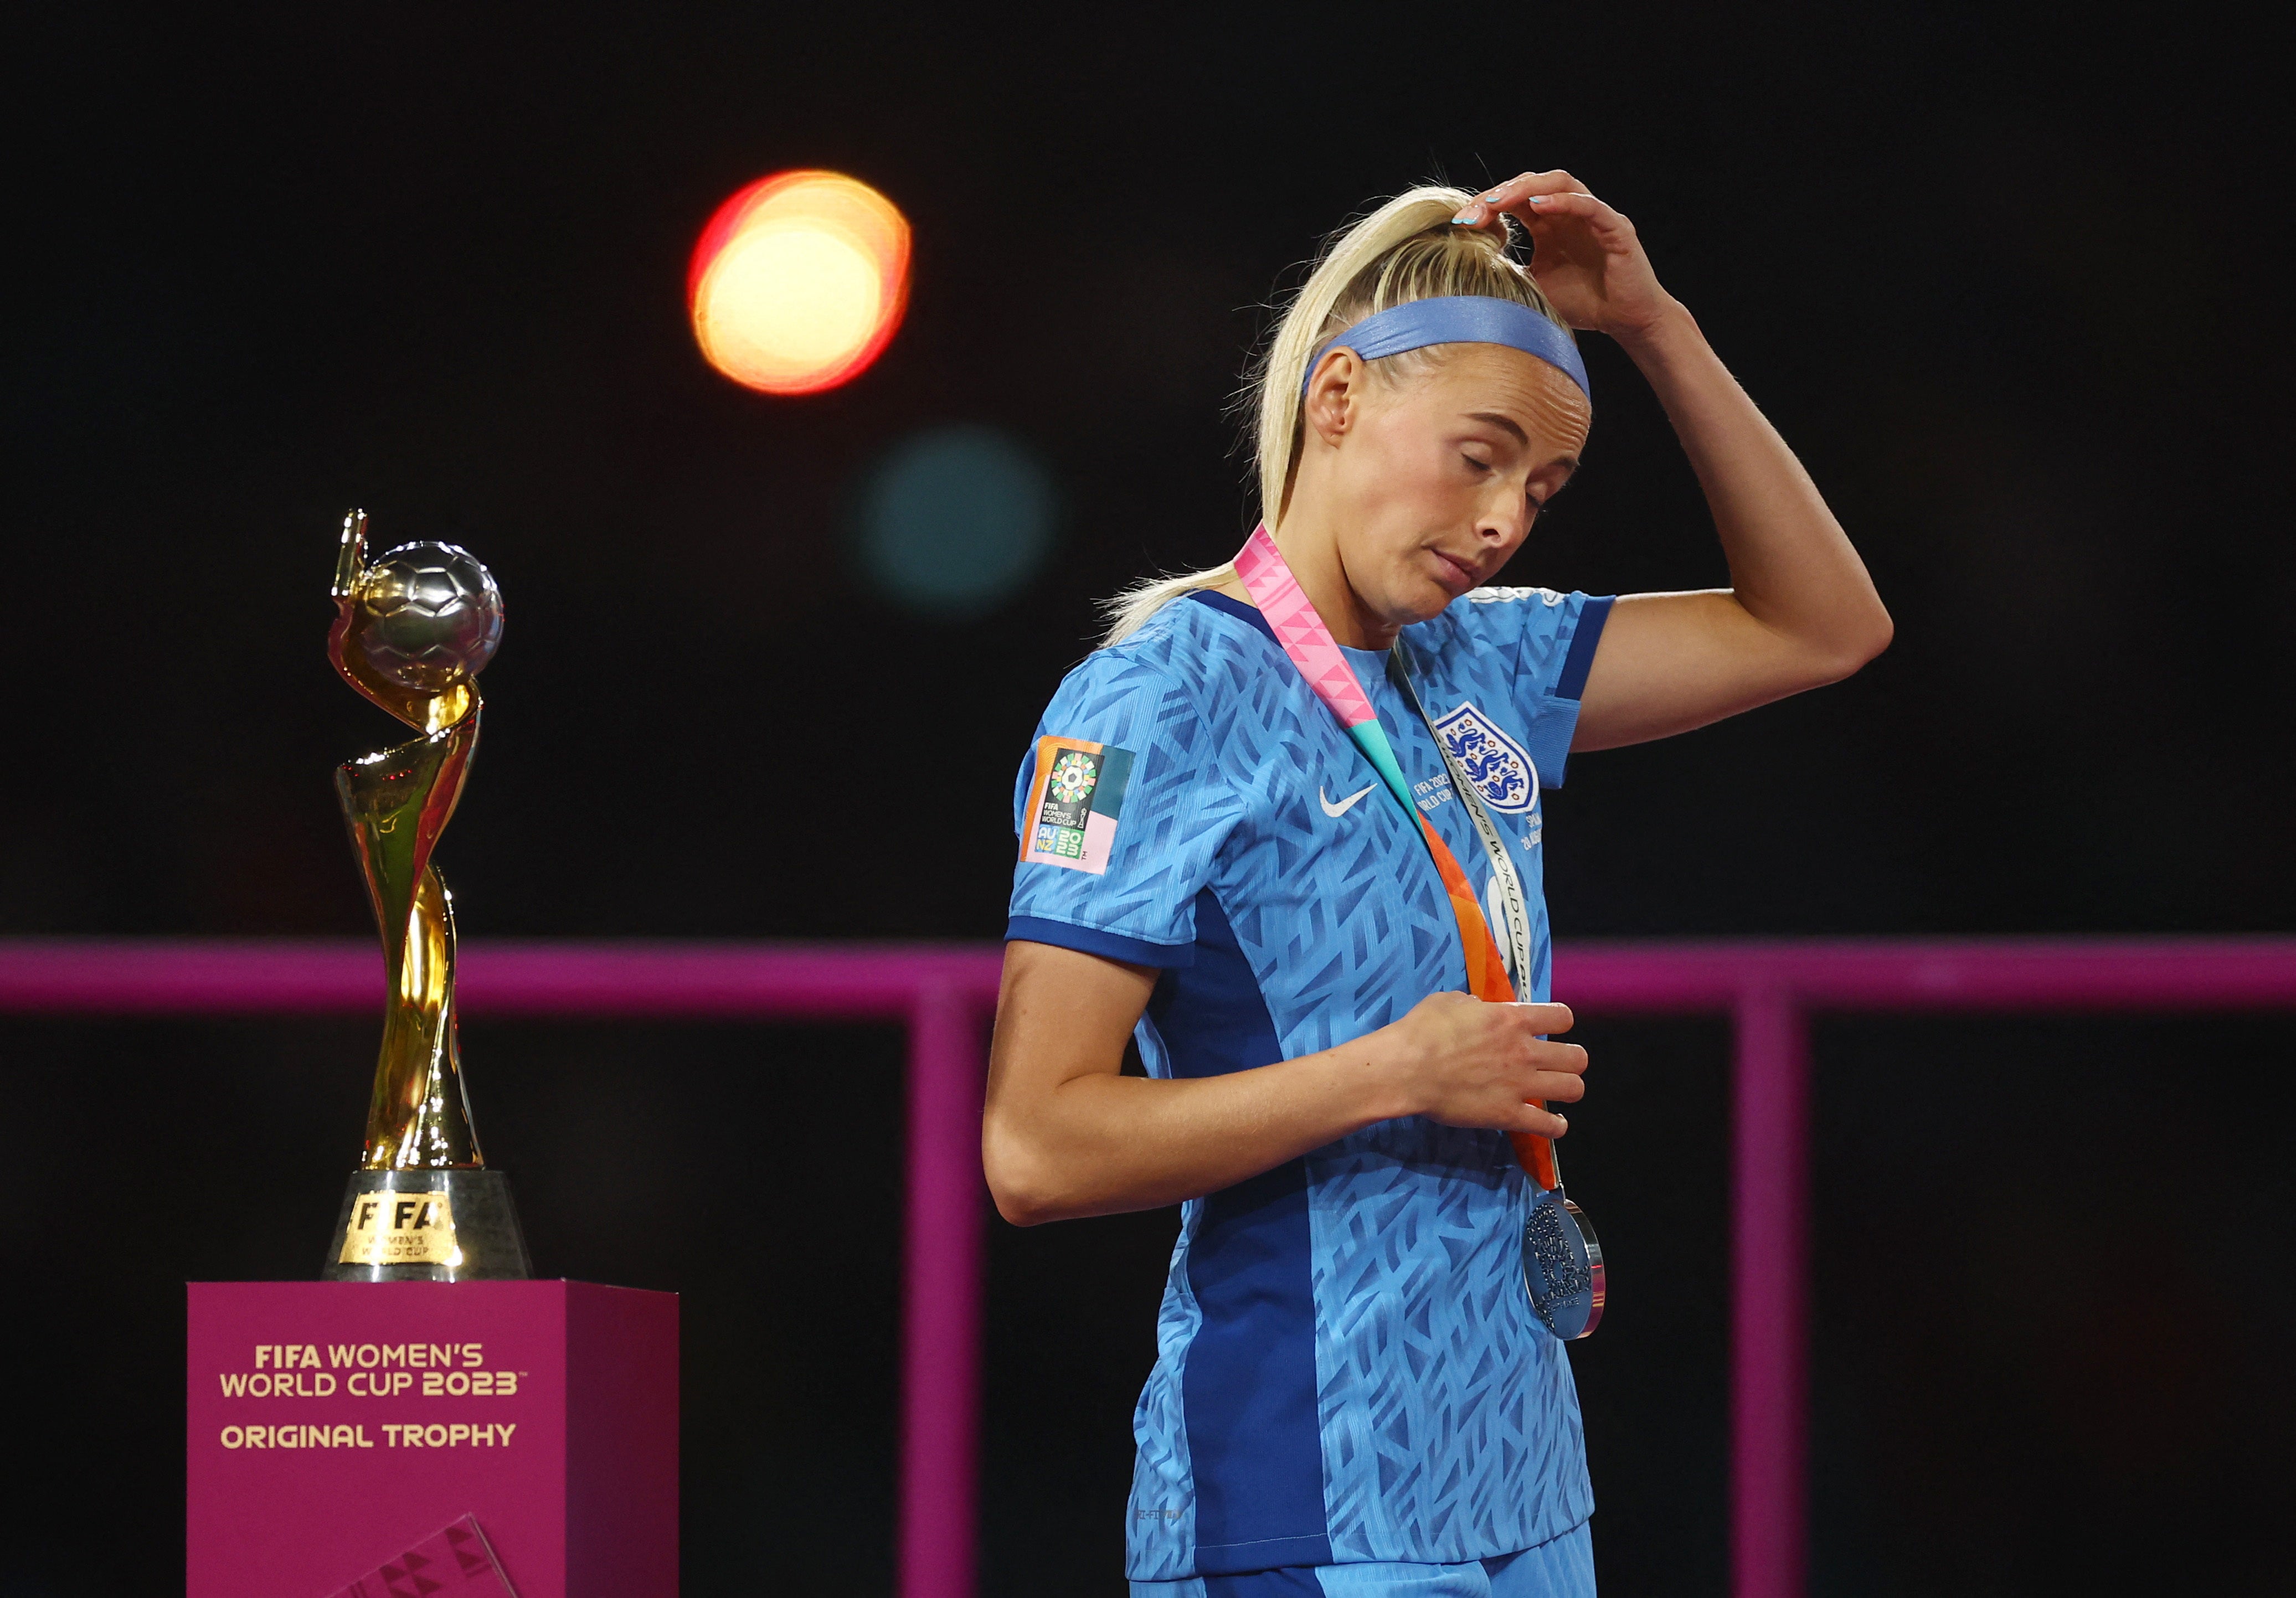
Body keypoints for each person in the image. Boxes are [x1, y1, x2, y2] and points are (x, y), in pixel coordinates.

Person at [982, 170, 1891, 1598]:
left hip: (1524, 1479)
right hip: (1303, 1491)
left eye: (1540, 486)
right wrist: (1393, 1071)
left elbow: (1826, 624)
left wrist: (1657, 327)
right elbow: (1035, 1150)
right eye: (1477, 457)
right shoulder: (1154, 699)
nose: (1505, 520)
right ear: (1335, 398)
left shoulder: (1488, 661)